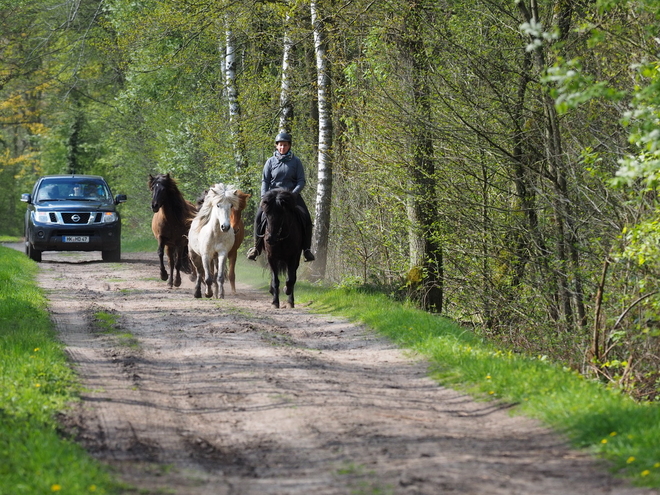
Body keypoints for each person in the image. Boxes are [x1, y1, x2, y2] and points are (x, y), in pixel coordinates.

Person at [247, 132, 315, 262]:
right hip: (273, 197)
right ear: (276, 146)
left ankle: (306, 249)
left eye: (285, 145)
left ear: (289, 146)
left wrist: (294, 194)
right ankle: (256, 248)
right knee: (258, 217)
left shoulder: (296, 162)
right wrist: (264, 196)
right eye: (280, 145)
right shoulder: (270, 162)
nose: (282, 148)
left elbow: (301, 181)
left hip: (291, 196)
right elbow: (265, 180)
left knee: (306, 217)